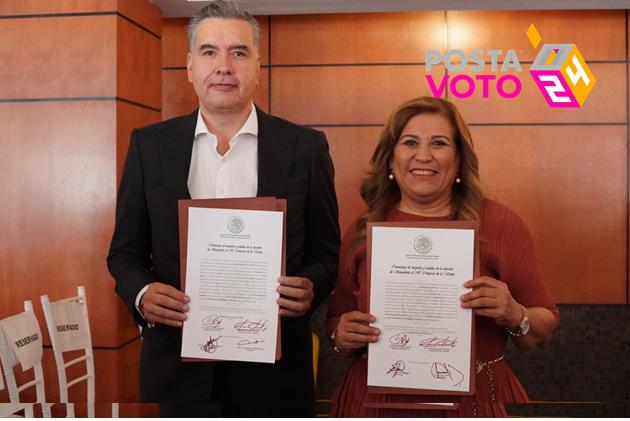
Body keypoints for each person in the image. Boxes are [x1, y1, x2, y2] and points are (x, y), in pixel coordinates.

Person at [106, 0, 340, 416]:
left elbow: (326, 254)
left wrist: (310, 287)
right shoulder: (149, 146)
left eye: (239, 52)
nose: (224, 65)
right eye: (210, 51)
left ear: (257, 65)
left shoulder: (305, 148)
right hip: (178, 373)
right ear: (190, 66)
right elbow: (124, 253)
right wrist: (142, 293)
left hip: (277, 376)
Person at [326, 96, 559, 417]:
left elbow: (542, 331)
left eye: (439, 143)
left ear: (460, 159)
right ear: (391, 159)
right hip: (375, 403)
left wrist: (515, 314)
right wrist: (342, 335)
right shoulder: (363, 230)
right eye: (409, 142)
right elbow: (336, 321)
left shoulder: (500, 224)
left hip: (472, 404)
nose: (424, 155)